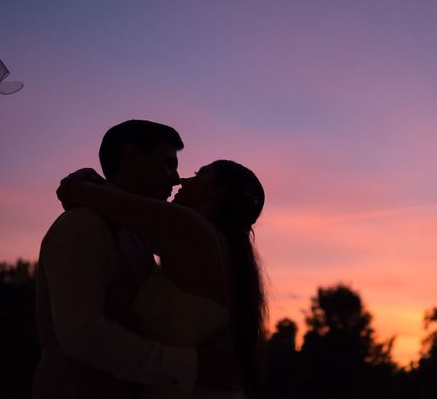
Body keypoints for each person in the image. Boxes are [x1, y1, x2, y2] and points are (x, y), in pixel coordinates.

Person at [56, 159, 267, 399]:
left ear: (213, 191)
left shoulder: (191, 228)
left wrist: (84, 177)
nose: (183, 180)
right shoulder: (220, 250)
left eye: (199, 174)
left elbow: (85, 195)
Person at [33, 120, 206, 398]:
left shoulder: (138, 235)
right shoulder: (82, 225)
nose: (175, 178)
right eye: (167, 164)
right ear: (131, 156)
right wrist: (188, 366)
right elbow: (81, 332)